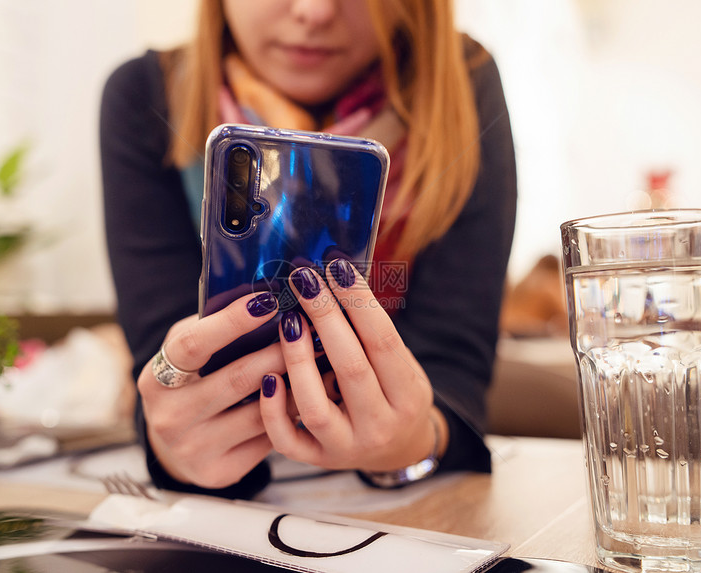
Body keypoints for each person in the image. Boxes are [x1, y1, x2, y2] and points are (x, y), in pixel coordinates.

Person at [101, 0, 517, 498]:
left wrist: (413, 443)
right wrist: (175, 443)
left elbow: (456, 377)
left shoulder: (462, 82)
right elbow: (162, 364)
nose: (315, 12)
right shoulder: (144, 95)